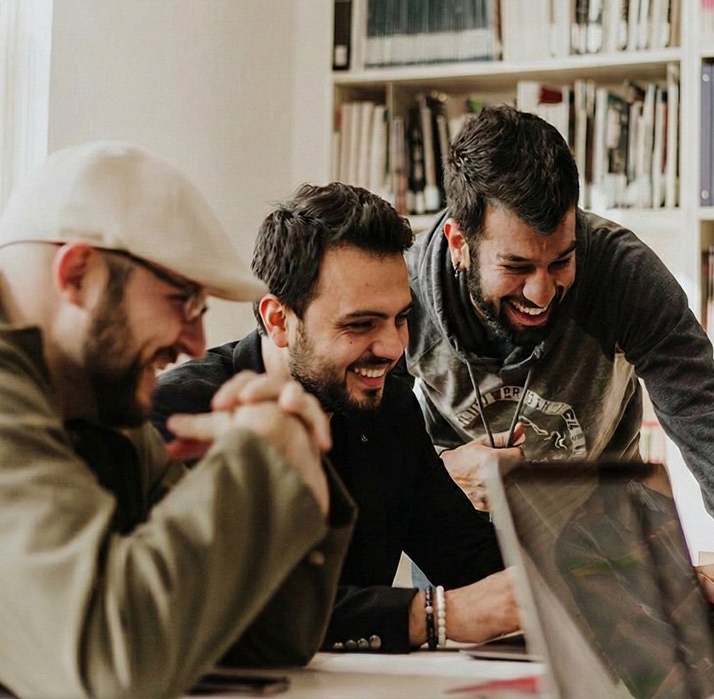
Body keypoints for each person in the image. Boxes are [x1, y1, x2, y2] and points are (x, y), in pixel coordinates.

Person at [0, 141, 356, 699]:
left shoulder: (98, 406)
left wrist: (293, 462)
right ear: (77, 275)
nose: (194, 343)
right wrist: (258, 462)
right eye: (182, 301)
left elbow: (261, 642)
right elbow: (110, 664)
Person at [404, 104, 714, 582]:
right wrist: (439, 476)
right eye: (517, 268)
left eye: (561, 262)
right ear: (460, 244)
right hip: (460, 541)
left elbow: (707, 420)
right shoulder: (406, 290)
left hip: (604, 539)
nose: (540, 293)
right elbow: (366, 448)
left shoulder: (622, 273)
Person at [152, 182, 520, 654]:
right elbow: (232, 609)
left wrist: (594, 564)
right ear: (279, 320)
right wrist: (433, 616)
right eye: (360, 324)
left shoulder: (389, 407)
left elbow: (469, 558)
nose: (392, 348)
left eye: (401, 318)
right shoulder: (182, 414)